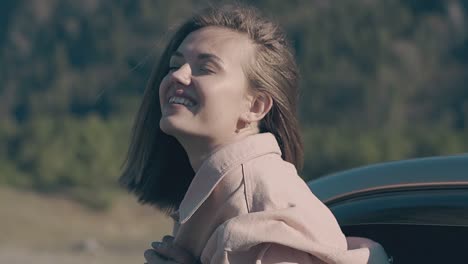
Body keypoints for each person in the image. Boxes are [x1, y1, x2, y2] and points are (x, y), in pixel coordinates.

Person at [120, 3, 390, 264]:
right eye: (174, 65)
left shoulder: (255, 214)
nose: (178, 76)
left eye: (205, 68)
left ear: (256, 106)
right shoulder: (230, 190)